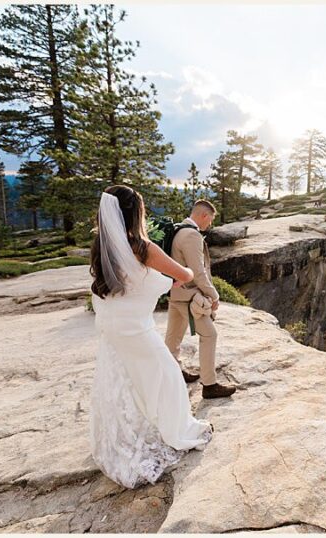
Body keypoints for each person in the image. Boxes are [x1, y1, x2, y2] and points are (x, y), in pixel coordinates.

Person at [88, 185, 212, 489]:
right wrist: (176, 270)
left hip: (112, 325)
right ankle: (174, 431)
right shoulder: (142, 247)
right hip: (135, 328)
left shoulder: (102, 245)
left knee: (128, 378)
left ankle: (129, 431)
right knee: (167, 376)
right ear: (135, 213)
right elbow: (185, 275)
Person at [164, 200, 237, 398]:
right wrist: (214, 295)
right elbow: (198, 272)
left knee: (173, 336)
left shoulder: (178, 229)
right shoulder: (191, 235)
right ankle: (209, 385)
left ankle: (173, 372)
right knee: (209, 335)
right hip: (189, 296)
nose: (210, 224)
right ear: (204, 215)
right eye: (210, 220)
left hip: (176, 293)